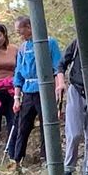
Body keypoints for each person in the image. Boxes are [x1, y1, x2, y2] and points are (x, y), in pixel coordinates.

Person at [7, 17, 58, 166]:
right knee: (23, 125)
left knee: (46, 124)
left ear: (29, 26)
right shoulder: (23, 48)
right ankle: (17, 158)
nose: (19, 35)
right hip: (28, 91)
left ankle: (47, 158)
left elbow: (57, 66)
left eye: (20, 31)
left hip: (45, 89)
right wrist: (16, 97)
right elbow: (18, 74)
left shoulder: (49, 42)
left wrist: (57, 88)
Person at [58, 39, 88, 175]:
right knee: (74, 133)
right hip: (76, 89)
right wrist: (60, 83)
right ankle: (68, 169)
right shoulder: (78, 42)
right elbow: (61, 64)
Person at [0, 22, 19, 151]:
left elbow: (19, 68)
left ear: (4, 34)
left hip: (12, 91)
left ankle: (12, 152)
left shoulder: (14, 49)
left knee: (13, 122)